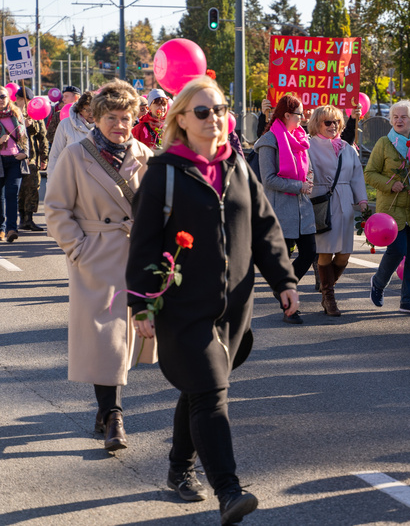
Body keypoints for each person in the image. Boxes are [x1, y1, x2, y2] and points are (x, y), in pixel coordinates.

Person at [126, 76, 299, 523]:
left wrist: (284, 280)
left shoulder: (237, 166)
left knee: (203, 387)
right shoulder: (164, 172)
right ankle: (228, 489)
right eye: (202, 111)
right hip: (183, 309)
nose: (214, 118)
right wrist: (141, 303)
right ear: (181, 119)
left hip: (234, 308)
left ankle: (180, 466)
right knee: (210, 391)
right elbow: (143, 242)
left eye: (220, 109)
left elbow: (264, 227)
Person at [44, 80, 152, 452]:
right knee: (106, 339)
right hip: (95, 257)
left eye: (125, 118)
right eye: (111, 117)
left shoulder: (144, 154)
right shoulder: (77, 155)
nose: (119, 125)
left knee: (125, 340)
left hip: (134, 254)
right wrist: (79, 250)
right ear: (96, 117)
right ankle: (113, 415)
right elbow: (56, 209)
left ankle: (105, 408)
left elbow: (155, 211)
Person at [365, 100, 410, 314]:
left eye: (403, 116)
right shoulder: (383, 144)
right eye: (395, 116)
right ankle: (378, 283)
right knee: (397, 250)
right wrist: (390, 184)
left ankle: (408, 300)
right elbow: (369, 173)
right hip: (391, 209)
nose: (398, 120)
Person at [255, 95, 316, 324]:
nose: (303, 118)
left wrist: (308, 181)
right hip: (281, 209)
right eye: (299, 114)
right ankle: (288, 305)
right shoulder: (269, 141)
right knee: (284, 257)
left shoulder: (300, 138)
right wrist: (299, 186)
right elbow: (268, 179)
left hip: (302, 207)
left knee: (309, 252)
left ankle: (282, 287)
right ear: (287, 115)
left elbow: (307, 169)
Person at [308, 105, 368, 316]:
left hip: (344, 204)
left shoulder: (347, 148)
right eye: (327, 122)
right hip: (322, 202)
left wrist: (362, 201)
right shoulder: (308, 146)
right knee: (325, 251)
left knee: (344, 254)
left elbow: (356, 176)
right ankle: (329, 297)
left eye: (335, 122)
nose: (332, 126)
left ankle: (326, 291)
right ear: (316, 124)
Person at [15, 87, 48, 232]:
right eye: (21, 99)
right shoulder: (11, 113)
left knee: (32, 188)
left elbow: (42, 137)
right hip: (14, 156)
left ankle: (28, 219)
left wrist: (44, 157)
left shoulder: (35, 114)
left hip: (32, 157)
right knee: (18, 190)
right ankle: (19, 218)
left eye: (26, 100)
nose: (23, 103)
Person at [0, 87, 30, 242]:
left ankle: (12, 229)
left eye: (2, 96)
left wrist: (26, 153)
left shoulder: (16, 114)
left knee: (12, 194)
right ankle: (1, 229)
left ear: (8, 97)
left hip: (15, 160)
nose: (0, 99)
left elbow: (25, 137)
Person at [47, 91, 96, 177]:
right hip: (71, 177)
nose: (91, 114)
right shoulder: (65, 124)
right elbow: (55, 155)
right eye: (88, 110)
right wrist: (51, 181)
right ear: (80, 109)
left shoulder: (104, 126)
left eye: (94, 110)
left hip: (95, 179)